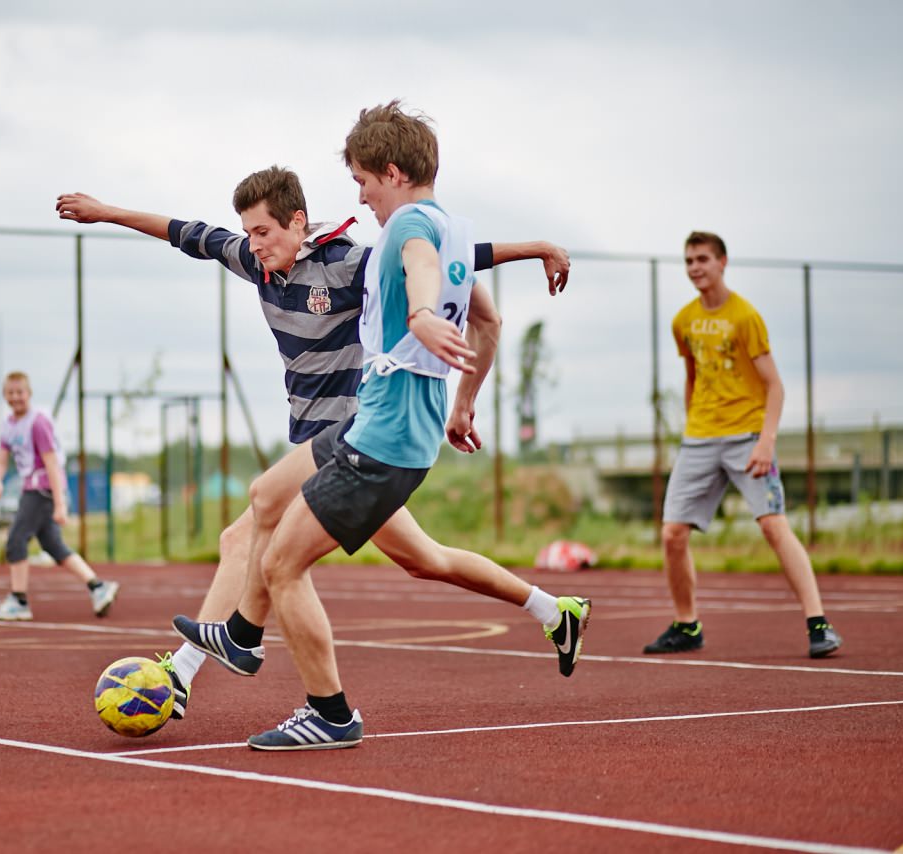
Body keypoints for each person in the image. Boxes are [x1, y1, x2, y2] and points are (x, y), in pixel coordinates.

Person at [57, 165, 588, 733]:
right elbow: (182, 231)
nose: (254, 244)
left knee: (251, 537)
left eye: (264, 232)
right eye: (249, 233)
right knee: (423, 560)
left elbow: (438, 258)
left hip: (357, 437)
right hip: (319, 444)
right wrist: (106, 212)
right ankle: (553, 610)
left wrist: (534, 248)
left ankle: (191, 670)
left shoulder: (347, 264)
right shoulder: (255, 263)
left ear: (298, 222)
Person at [175, 100, 589, 750]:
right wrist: (463, 403)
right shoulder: (450, 230)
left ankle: (319, 707)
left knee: (278, 560)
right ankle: (242, 637)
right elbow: (489, 319)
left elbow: (418, 264)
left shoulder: (406, 231)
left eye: (363, 181)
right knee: (289, 510)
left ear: (392, 173)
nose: (360, 196)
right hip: (387, 429)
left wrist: (420, 312)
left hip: (381, 434)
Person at [643, 232, 842, 659]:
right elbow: (693, 376)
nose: (695, 267)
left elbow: (775, 385)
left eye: (702, 259)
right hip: (699, 438)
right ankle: (686, 625)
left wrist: (766, 442)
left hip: (747, 436)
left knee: (773, 525)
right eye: (689, 261)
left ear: (722, 262)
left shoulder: (745, 316)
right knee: (672, 534)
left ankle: (819, 623)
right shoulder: (683, 320)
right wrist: (691, 426)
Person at [0, 371, 119, 622]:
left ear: (29, 393)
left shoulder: (38, 423)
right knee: (52, 545)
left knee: (16, 539)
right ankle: (98, 586)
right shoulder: (8, 425)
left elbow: (52, 463)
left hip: (42, 489)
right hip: (31, 487)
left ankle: (19, 601)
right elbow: (1, 460)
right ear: (5, 395)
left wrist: (60, 503)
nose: (16, 397)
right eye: (11, 393)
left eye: (20, 392)